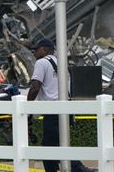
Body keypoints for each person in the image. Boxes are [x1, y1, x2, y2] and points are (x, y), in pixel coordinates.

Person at [27, 38, 96, 172]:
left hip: (53, 111)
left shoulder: (42, 63)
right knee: (54, 145)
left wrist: (26, 108)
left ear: (45, 50)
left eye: (36, 50)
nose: (34, 53)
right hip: (66, 109)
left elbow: (35, 87)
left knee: (52, 146)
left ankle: (79, 169)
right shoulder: (62, 63)